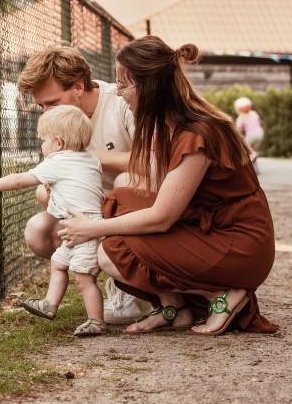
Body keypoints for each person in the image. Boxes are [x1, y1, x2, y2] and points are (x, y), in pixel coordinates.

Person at [57, 36, 278, 336]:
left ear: (149, 86)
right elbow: (152, 186)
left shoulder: (198, 132)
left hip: (238, 244)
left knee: (111, 249)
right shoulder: (168, 127)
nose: (120, 95)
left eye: (124, 86)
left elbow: (162, 216)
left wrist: (93, 228)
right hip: (210, 229)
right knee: (118, 199)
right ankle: (175, 308)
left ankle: (222, 295)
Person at [16, 43, 151, 325]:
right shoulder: (58, 123)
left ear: (78, 86)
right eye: (41, 106)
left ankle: (129, 281)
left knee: (127, 181)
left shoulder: (120, 101)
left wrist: (85, 157)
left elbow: (149, 162)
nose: (46, 112)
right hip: (89, 209)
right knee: (38, 226)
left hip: (133, 205)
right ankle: (97, 269)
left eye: (52, 103)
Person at [0, 105, 107, 336]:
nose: (41, 145)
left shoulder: (58, 161)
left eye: (43, 140)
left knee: (84, 278)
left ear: (59, 143)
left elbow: (21, 180)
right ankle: (50, 303)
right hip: (80, 226)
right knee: (58, 263)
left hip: (82, 229)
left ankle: (96, 320)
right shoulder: (90, 159)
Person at [234, 96, 264, 165]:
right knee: (254, 149)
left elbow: (238, 130)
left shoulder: (240, 118)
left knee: (245, 147)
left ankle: (253, 156)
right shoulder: (254, 113)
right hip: (260, 134)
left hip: (251, 135)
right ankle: (255, 164)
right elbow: (259, 122)